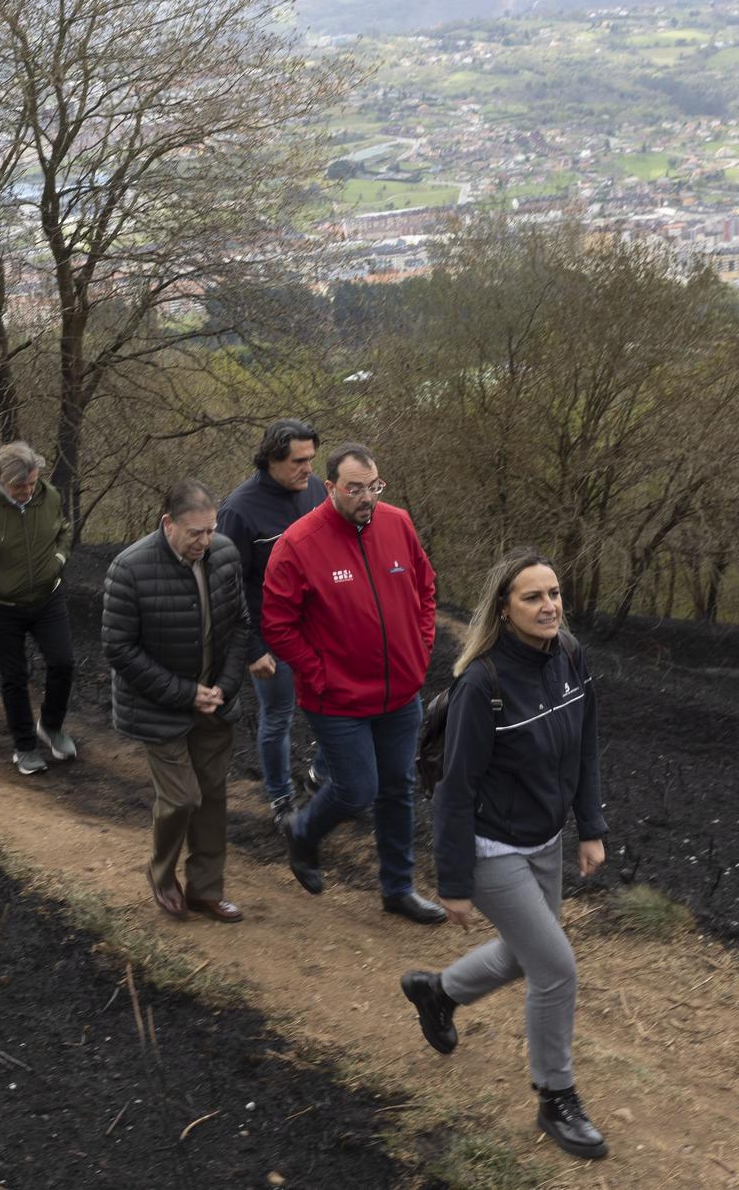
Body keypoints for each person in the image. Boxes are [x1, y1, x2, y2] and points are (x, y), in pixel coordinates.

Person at [401, 551, 609, 1161]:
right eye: (532, 597)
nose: (549, 606)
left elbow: (585, 746)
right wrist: (454, 881)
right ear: (504, 608)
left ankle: (439, 992)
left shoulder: (569, 656)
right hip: (491, 850)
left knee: (526, 956)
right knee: (556, 968)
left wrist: (590, 827)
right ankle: (555, 1096)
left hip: (545, 841)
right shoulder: (482, 684)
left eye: (554, 593)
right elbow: (454, 790)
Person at [260, 443, 443, 922]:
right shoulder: (298, 544)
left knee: (397, 787)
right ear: (330, 487)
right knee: (357, 789)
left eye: (374, 486)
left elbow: (425, 589)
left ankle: (398, 889)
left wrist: (420, 650)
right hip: (337, 698)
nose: (367, 498)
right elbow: (277, 624)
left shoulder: (398, 523)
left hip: (400, 692)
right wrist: (319, 673)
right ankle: (302, 831)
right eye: (355, 488)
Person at [102, 479, 251, 922]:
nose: (205, 541)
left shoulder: (225, 554)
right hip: (158, 706)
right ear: (168, 524)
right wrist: (186, 693)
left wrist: (226, 685)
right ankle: (162, 874)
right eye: (195, 533)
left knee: (212, 796)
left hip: (215, 701)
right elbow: (119, 649)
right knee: (183, 798)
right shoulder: (129, 569)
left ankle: (206, 890)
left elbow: (240, 624)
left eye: (211, 530)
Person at [216, 418, 328, 831]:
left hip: (319, 627)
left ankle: (321, 775)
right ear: (271, 460)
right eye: (299, 461)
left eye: (311, 459)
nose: (308, 469)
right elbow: (226, 587)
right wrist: (252, 649)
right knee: (278, 715)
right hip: (270, 635)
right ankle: (281, 799)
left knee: (338, 700)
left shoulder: (315, 491)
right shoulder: (238, 511)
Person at [0, 441, 75, 776]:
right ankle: (24, 747)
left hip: (47, 597)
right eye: (20, 486)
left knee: (63, 662)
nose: (27, 491)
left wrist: (59, 559)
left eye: (32, 483)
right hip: (1, 607)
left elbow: (64, 530)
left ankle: (51, 726)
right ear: (1, 479)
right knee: (15, 676)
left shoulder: (49, 496)